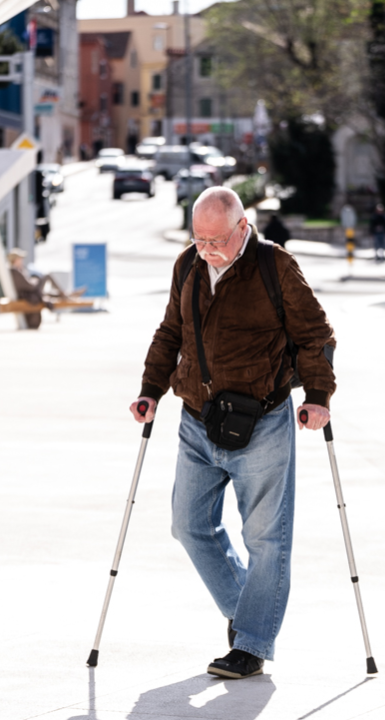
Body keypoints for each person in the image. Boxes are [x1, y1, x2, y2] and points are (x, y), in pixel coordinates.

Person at [132, 187, 336, 679]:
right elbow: (170, 332)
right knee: (188, 525)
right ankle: (248, 614)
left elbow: (315, 335)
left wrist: (317, 398)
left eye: (216, 240)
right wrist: (150, 389)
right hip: (197, 419)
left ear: (242, 228)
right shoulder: (188, 265)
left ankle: (251, 644)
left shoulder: (274, 266)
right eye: (198, 239)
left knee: (266, 537)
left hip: (261, 419)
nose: (207, 250)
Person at [7, 249, 79, 329]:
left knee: (46, 293)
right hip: (28, 294)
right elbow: (29, 286)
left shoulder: (19, 270)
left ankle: (65, 295)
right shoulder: (15, 271)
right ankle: (64, 295)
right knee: (47, 276)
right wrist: (36, 280)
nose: (22, 260)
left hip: (30, 293)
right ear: (15, 260)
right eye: (20, 258)